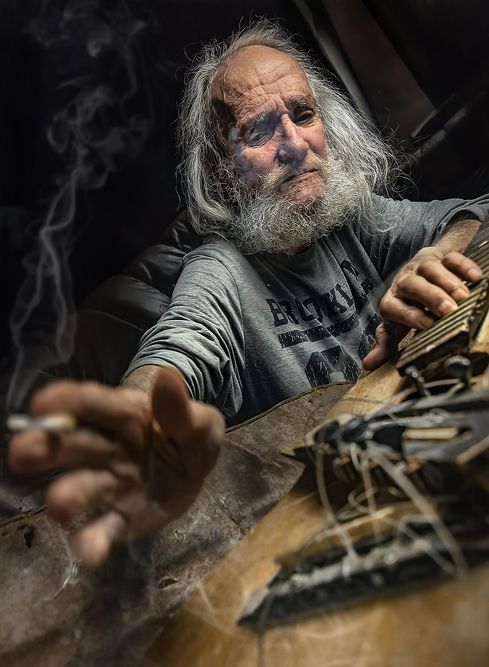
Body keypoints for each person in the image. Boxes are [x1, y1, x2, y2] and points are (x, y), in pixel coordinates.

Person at [8, 21, 489, 566]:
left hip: (428, 443)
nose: (294, 144)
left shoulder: (350, 219)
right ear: (218, 176)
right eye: (259, 131)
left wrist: (437, 251)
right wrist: (142, 420)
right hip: (343, 523)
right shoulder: (220, 271)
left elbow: (470, 214)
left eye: (303, 115)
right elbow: (180, 347)